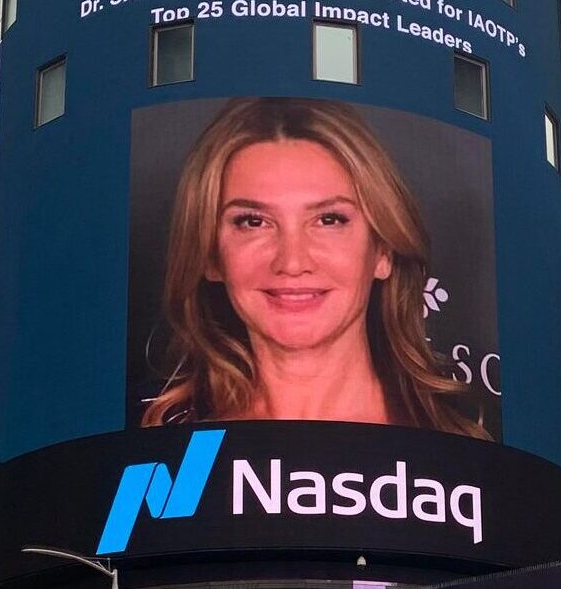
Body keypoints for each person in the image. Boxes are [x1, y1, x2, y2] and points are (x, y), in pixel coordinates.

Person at [142, 98, 487, 437]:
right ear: (211, 256)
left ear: (382, 250)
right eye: (253, 222)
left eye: (329, 219)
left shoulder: (464, 454)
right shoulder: (163, 461)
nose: (292, 262)